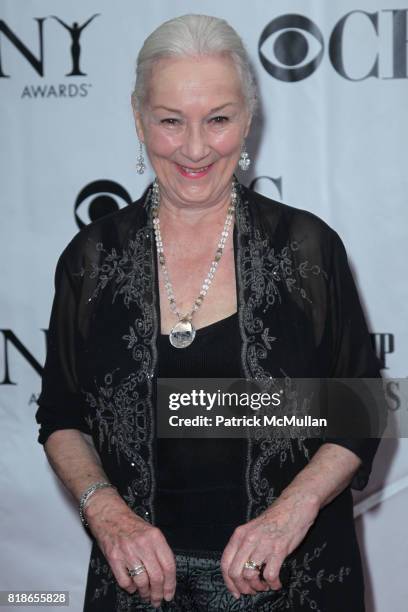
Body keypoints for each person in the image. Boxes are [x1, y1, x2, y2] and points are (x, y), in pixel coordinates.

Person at [36, 14, 385, 612]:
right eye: (170, 121)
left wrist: (289, 514)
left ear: (247, 119)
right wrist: (109, 514)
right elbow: (62, 414)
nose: (195, 148)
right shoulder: (90, 260)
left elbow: (359, 409)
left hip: (294, 584)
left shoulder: (307, 251)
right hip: (134, 591)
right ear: (139, 118)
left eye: (217, 119)